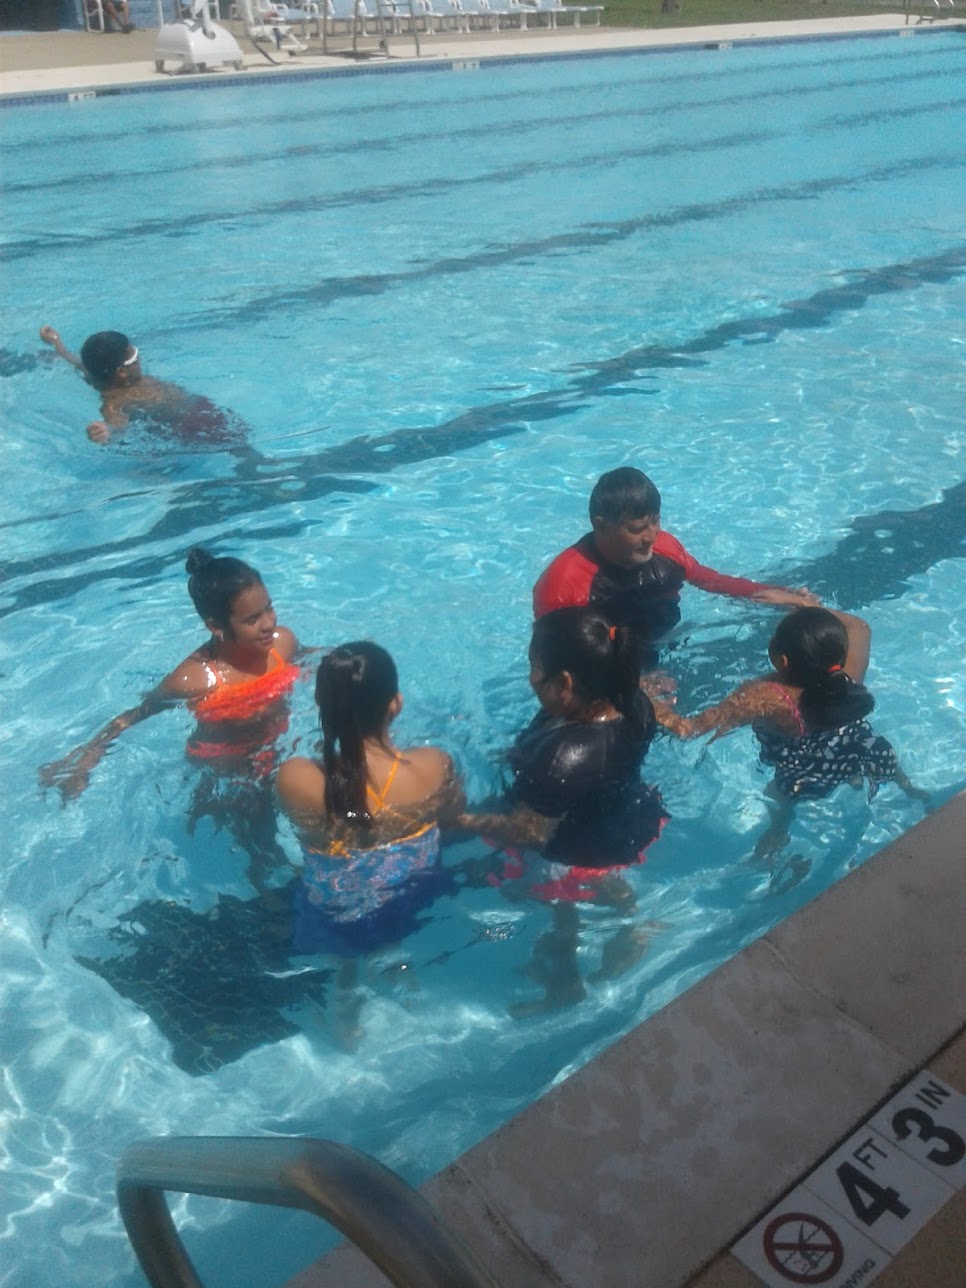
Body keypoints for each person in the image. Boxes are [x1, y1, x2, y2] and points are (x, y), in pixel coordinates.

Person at [459, 607, 669, 1014]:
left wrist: (459, 819)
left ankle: (565, 984)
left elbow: (528, 833)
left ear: (566, 683)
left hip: (572, 852)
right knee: (600, 884)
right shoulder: (632, 701)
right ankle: (630, 921)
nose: (530, 678)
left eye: (535, 669)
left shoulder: (563, 760)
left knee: (561, 914)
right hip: (622, 820)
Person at [276, 642, 465, 1042]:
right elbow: (453, 818)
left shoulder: (296, 778)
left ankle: (346, 1015)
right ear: (396, 703)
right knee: (391, 934)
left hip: (334, 907)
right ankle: (406, 984)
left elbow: (303, 830)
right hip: (413, 890)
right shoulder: (434, 765)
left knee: (344, 959)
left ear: (322, 706)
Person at [651, 606, 927, 853]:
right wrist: (808, 609)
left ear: (781, 660)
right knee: (883, 762)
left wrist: (649, 701)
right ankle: (912, 790)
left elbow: (688, 730)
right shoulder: (848, 676)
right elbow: (859, 626)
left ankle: (777, 832)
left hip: (806, 773)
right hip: (864, 750)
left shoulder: (763, 696)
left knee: (780, 798)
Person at [39, 547, 300, 802]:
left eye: (269, 608)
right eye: (252, 620)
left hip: (277, 748)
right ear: (215, 626)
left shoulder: (283, 644)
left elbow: (311, 662)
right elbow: (136, 715)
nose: (269, 623)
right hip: (222, 770)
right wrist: (85, 760)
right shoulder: (195, 680)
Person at [533, 467, 819, 666]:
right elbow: (555, 659)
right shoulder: (563, 585)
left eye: (655, 521)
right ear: (601, 526)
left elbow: (711, 580)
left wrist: (780, 594)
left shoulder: (665, 548)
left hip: (667, 641)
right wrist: (630, 682)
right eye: (637, 529)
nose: (652, 536)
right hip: (609, 664)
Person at [39, 326, 252, 453]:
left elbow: (71, 359)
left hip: (192, 412)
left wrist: (55, 342)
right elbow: (117, 424)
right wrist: (107, 431)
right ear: (122, 372)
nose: (139, 357)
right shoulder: (115, 401)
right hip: (190, 424)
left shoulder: (96, 375)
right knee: (240, 449)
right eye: (133, 355)